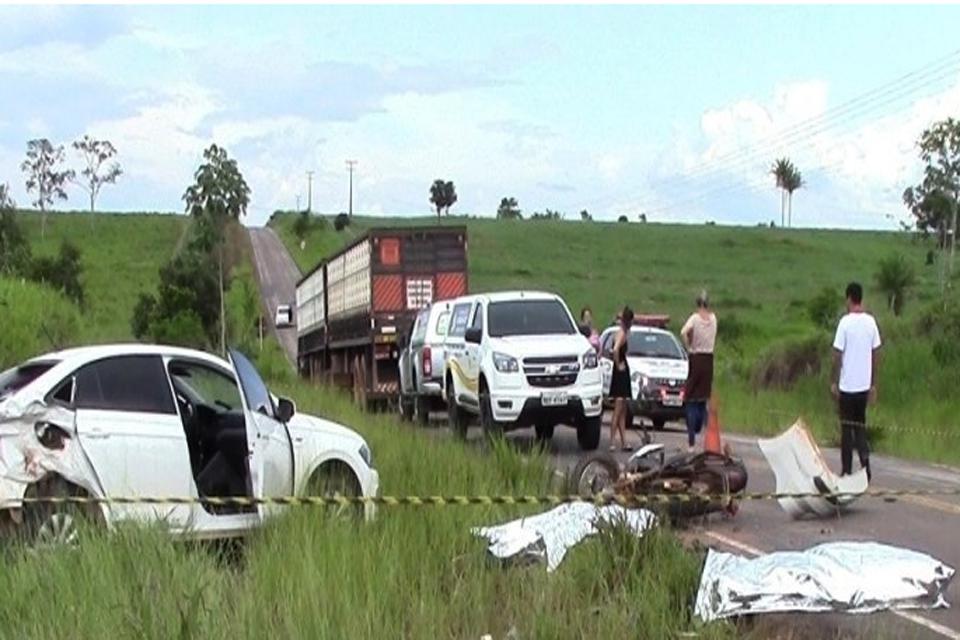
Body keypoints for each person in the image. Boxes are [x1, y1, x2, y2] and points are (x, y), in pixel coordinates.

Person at [831, 282, 881, 481]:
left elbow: (837, 354)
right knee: (860, 427)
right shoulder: (871, 322)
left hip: (847, 387)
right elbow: (876, 353)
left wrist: (834, 381)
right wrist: (873, 384)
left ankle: (846, 471)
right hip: (863, 387)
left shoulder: (845, 322)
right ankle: (866, 468)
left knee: (846, 430)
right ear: (861, 299)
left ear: (849, 299)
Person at [681, 291, 717, 452]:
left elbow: (683, 331)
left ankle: (691, 441)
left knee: (690, 399)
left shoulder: (695, 319)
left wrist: (689, 346)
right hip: (709, 360)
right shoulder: (714, 319)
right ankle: (703, 432)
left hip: (696, 358)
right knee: (703, 398)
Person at [609, 306, 634, 452]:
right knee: (618, 409)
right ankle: (612, 441)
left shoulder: (620, 331)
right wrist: (618, 365)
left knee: (623, 409)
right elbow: (616, 349)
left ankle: (624, 441)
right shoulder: (622, 334)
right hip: (620, 373)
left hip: (622, 372)